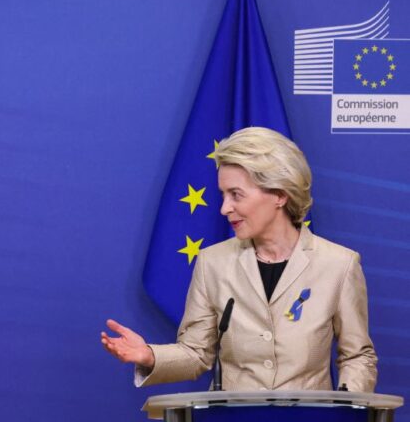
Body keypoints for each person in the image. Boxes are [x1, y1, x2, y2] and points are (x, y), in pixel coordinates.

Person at [101, 127, 377, 392]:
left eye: (236, 194)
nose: (224, 208)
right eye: (223, 195)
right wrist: (150, 356)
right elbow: (196, 353)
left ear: (280, 194)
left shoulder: (339, 264)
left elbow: (357, 357)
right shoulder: (213, 263)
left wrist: (345, 409)